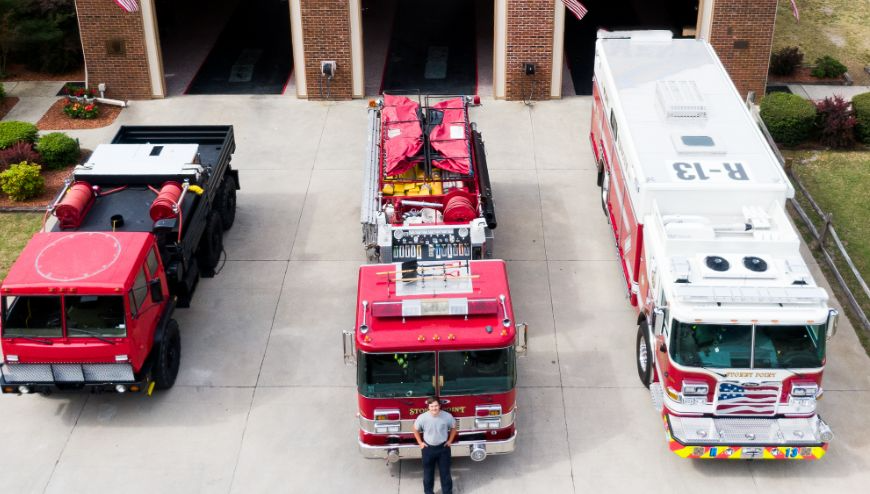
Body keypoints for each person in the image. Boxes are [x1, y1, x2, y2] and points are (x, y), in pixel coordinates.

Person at [413, 397, 457, 494]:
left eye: (436, 406)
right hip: (428, 449)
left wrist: (450, 441)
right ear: (428, 407)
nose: (434, 408)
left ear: (440, 406)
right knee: (428, 474)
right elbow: (415, 429)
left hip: (443, 448)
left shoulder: (447, 416)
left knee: (445, 473)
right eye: (432, 406)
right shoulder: (422, 417)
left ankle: (447, 492)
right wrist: (420, 443)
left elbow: (454, 428)